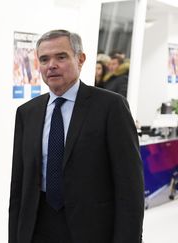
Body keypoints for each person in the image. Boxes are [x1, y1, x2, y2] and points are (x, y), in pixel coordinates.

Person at [8, 29, 144, 243]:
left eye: (61, 57)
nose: (51, 65)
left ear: (80, 60)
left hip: (92, 230)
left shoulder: (111, 107)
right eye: (44, 59)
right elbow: (18, 185)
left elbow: (130, 186)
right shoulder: (27, 112)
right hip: (37, 227)